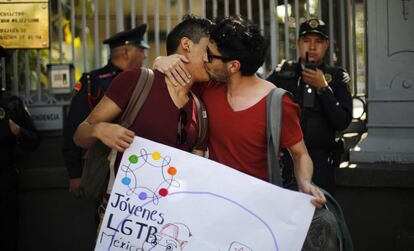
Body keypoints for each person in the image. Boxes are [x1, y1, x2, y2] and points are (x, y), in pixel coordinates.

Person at [155, 16, 326, 208]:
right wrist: (161, 61)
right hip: (213, 204)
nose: (204, 59)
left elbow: (300, 154)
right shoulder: (208, 87)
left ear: (233, 66)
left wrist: (305, 183)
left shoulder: (277, 102)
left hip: (257, 210)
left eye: (210, 55)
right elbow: (168, 84)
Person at [73, 15, 212, 211]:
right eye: (207, 51)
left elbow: (194, 172)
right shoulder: (136, 80)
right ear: (187, 45)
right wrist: (99, 130)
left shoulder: (200, 108)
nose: (210, 59)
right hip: (122, 216)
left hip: (170, 220)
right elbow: (80, 135)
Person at [266, 18, 353, 194]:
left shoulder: (336, 77)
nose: (312, 47)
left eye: (318, 41)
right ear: (298, 43)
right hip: (286, 158)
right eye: (306, 41)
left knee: (319, 212)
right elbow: (260, 107)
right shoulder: (283, 73)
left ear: (327, 44)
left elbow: (342, 121)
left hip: (321, 160)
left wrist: (323, 88)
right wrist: (270, 145)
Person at [62, 24, 149, 197]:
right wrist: (75, 173)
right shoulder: (92, 82)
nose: (145, 56)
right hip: (103, 166)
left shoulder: (144, 80)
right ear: (126, 52)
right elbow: (75, 126)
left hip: (138, 165)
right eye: (141, 50)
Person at [0, 46, 41, 250]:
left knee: (7, 235)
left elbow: (34, 141)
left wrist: (17, 131)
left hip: (4, 182)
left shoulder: (10, 103)